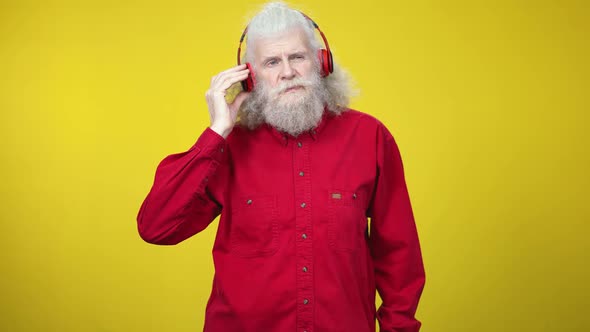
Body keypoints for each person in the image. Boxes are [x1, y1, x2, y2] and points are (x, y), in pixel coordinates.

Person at [137, 2, 425, 331]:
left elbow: (399, 256)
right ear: (251, 78)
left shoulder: (370, 137)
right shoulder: (227, 148)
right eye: (272, 62)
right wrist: (216, 131)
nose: (287, 72)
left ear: (321, 63)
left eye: (297, 57)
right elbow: (156, 228)